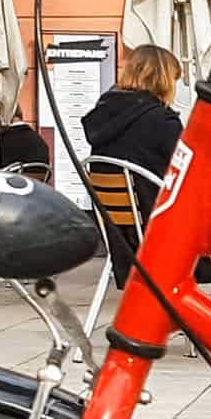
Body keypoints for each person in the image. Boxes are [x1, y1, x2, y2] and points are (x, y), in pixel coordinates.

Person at [83, 43, 187, 283]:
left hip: (118, 230)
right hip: (157, 225)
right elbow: (185, 168)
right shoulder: (162, 120)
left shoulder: (104, 112)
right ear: (163, 78)